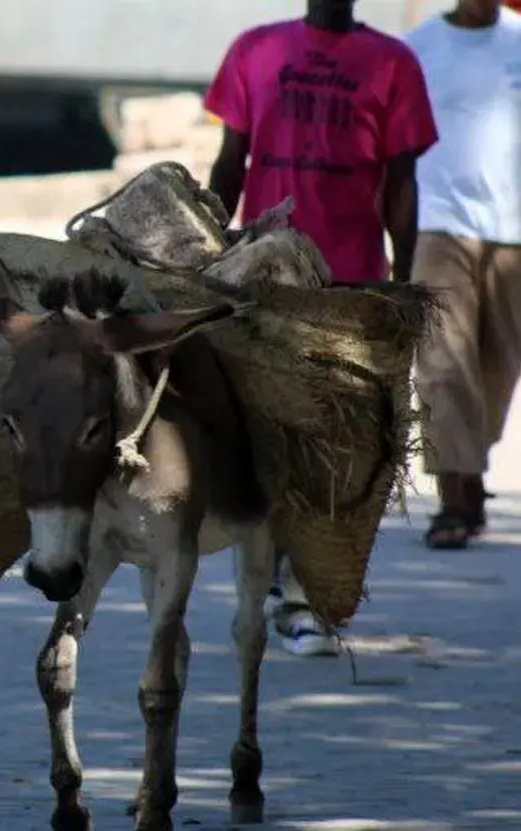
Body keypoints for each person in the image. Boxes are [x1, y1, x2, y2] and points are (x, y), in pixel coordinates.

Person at [203, 0, 439, 656]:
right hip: (265, 275)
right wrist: (211, 247)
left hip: (351, 283)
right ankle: (272, 572)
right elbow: (231, 161)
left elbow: (402, 181)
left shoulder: (393, 64)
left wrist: (403, 281)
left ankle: (303, 592)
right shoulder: (255, 50)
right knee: (268, 434)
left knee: (334, 443)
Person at [405, 0, 521, 549]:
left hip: (514, 232)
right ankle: (453, 496)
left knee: (499, 367)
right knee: (443, 364)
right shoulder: (420, 48)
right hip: (439, 224)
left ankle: (470, 464)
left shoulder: (518, 40)